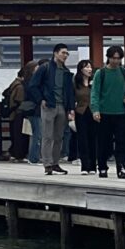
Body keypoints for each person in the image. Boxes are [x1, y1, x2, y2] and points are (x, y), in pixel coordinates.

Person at [29, 43, 76, 175]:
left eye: (67, 53)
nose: (65, 55)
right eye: (63, 53)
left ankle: (55, 163)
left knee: (59, 137)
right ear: (55, 53)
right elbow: (33, 85)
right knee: (47, 136)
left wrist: (71, 108)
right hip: (49, 105)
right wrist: (41, 99)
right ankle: (47, 164)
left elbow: (70, 91)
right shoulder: (46, 68)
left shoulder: (66, 72)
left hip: (62, 106)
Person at [91, 45, 125, 179]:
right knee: (104, 142)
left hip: (120, 112)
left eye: (118, 58)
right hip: (104, 112)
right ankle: (102, 166)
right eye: (113, 58)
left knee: (122, 142)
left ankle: (122, 167)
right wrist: (95, 109)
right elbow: (95, 92)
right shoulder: (100, 73)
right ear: (108, 58)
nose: (116, 61)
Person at [6, 62, 36, 161]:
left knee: (16, 135)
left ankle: (14, 153)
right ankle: (20, 154)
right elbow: (19, 100)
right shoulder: (21, 86)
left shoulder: (14, 84)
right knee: (21, 135)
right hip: (20, 112)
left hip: (14, 113)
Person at [73, 59, 96, 174]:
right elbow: (72, 97)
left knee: (93, 138)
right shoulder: (76, 83)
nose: (89, 69)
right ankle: (84, 165)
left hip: (93, 112)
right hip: (81, 112)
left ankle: (93, 165)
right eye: (86, 67)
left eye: (90, 67)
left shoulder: (95, 82)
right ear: (81, 70)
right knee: (82, 139)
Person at [25, 58, 49, 166]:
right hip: (35, 111)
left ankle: (35, 156)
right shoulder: (31, 83)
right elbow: (35, 97)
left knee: (37, 134)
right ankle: (34, 157)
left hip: (35, 111)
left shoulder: (30, 82)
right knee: (38, 135)